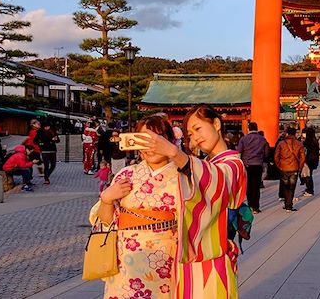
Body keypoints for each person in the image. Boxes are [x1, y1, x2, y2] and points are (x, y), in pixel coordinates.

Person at [138, 105, 246, 298]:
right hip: (192, 255)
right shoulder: (209, 164)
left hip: (213, 256)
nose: (195, 137)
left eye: (198, 129)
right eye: (190, 133)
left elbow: (216, 181)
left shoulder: (233, 164)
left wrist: (174, 153)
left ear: (216, 123)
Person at [89, 113, 179, 299]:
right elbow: (107, 223)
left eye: (156, 139)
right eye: (142, 140)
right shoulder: (126, 174)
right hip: (126, 262)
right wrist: (106, 198)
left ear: (169, 141)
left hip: (168, 260)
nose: (150, 147)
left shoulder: (183, 177)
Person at [237, 121, 269, 213]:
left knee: (248, 186)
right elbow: (266, 153)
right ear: (257, 128)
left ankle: (250, 205)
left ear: (248, 129)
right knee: (256, 186)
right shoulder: (262, 139)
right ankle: (256, 207)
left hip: (246, 164)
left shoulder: (244, 139)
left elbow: (239, 151)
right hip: (258, 164)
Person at [274, 126, 305, 212]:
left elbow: (276, 156)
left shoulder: (281, 143)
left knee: (285, 186)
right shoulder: (299, 144)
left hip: (284, 167)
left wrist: (279, 165)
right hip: (294, 167)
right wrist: (300, 167)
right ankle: (289, 205)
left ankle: (286, 203)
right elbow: (302, 158)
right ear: (295, 133)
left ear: (287, 133)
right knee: (292, 187)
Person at [34, 120, 59, 185]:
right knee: (46, 165)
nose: (48, 128)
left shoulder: (52, 131)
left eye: (49, 126)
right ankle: (46, 178)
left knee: (53, 165)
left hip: (52, 150)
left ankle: (47, 175)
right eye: (47, 126)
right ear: (44, 127)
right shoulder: (40, 132)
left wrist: (56, 139)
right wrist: (41, 144)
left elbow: (58, 140)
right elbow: (35, 141)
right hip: (45, 151)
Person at [301, 126, 320, 196]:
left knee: (308, 175)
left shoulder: (308, 141)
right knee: (309, 174)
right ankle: (309, 189)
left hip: (308, 159)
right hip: (314, 160)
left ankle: (309, 190)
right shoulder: (315, 141)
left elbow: (304, 150)